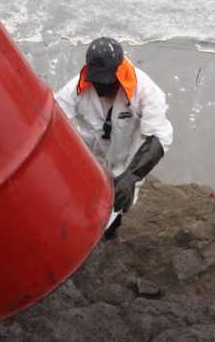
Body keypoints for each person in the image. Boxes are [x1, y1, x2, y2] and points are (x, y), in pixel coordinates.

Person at [54, 37, 172, 239]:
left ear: (118, 73)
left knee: (119, 203)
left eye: (105, 80)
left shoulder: (144, 90)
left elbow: (159, 136)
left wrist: (131, 176)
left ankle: (113, 230)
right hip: (90, 157)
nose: (100, 87)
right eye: (96, 80)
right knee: (84, 205)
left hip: (125, 160)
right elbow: (53, 118)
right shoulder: (75, 89)